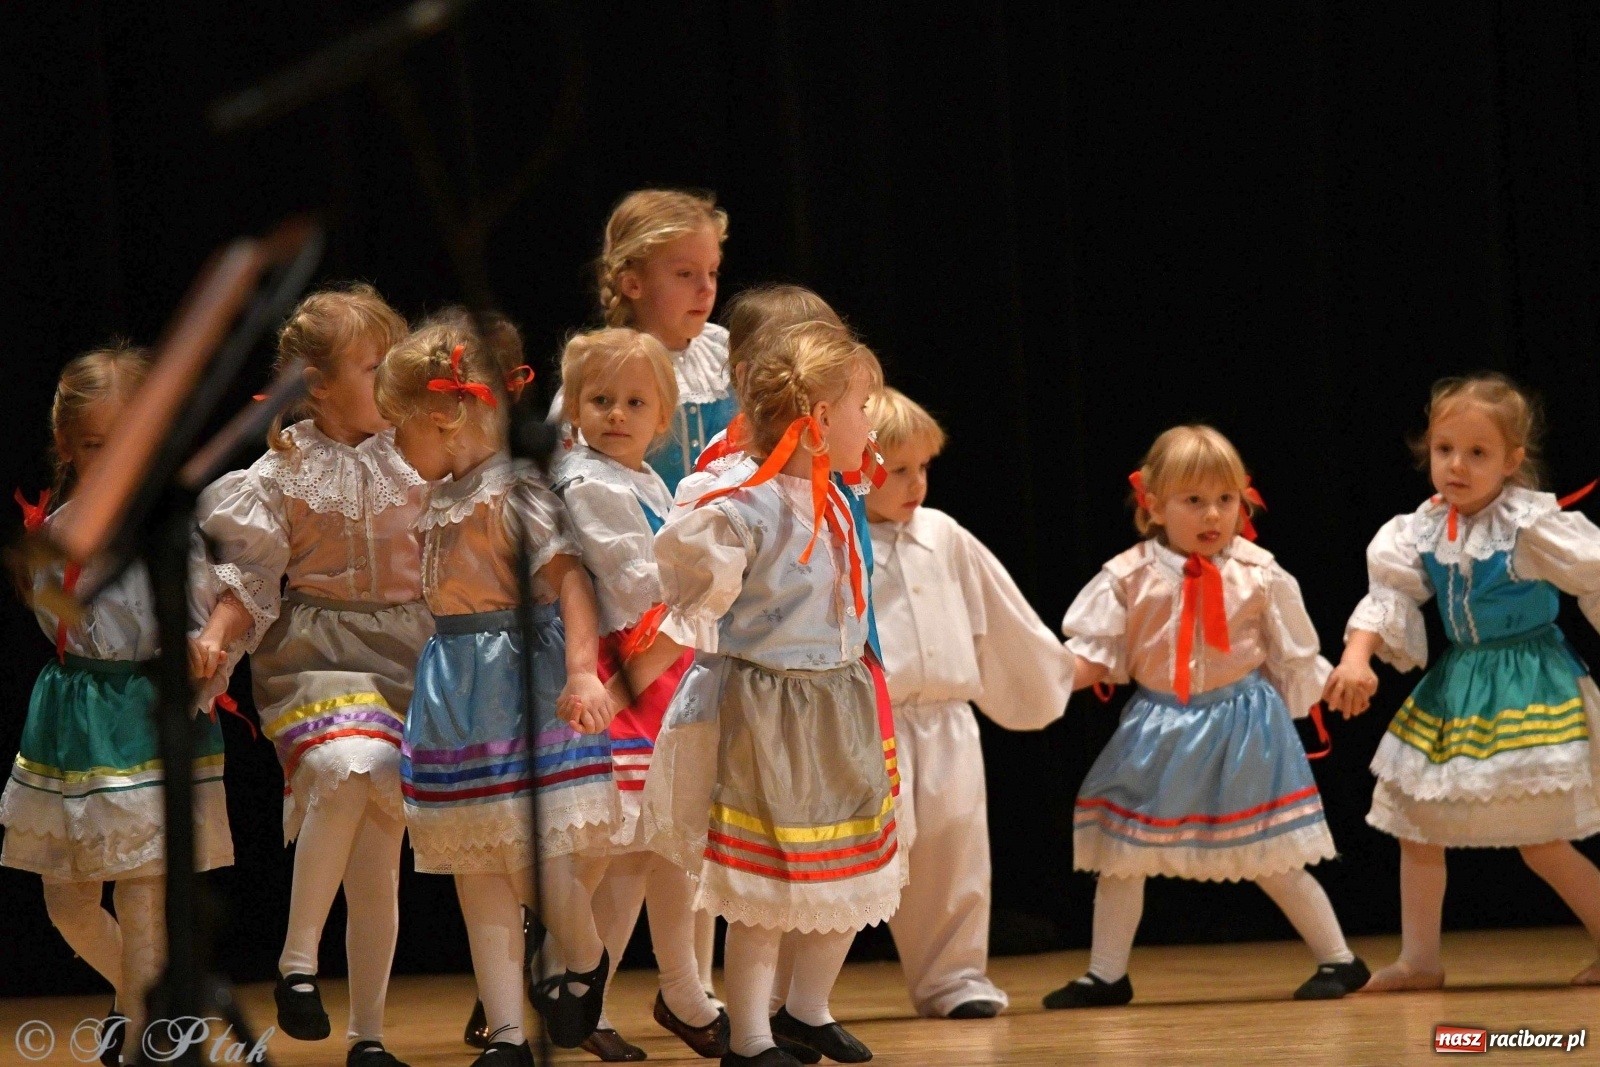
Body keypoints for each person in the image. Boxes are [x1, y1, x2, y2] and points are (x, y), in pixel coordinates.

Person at [624, 320, 901, 1067]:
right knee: (766, 885)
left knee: (847, 866)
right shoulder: (742, 505)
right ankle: (749, 1035)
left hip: (835, 703)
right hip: (765, 709)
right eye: (861, 406)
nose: (870, 420)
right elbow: (693, 600)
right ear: (816, 425)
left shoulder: (837, 499)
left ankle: (805, 1007)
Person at [1046, 425, 1367, 1009]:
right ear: (1154, 506)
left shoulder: (1259, 573)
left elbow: (1293, 654)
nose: (1212, 514)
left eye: (1225, 499)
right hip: (1158, 724)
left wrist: (1330, 686)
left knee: (1270, 854)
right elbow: (1094, 654)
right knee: (1122, 849)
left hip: (1243, 725)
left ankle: (1339, 959)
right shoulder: (1128, 576)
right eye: (1193, 500)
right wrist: (1038, 678)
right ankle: (1106, 973)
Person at [378, 320, 618, 1065]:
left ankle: (582, 952)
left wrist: (583, 670)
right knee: (476, 863)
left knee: (529, 856)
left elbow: (571, 580)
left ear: (443, 420)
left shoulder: (514, 492)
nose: (393, 446)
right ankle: (509, 1032)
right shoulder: (446, 495)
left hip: (519, 683)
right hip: (457, 685)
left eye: (398, 429)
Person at [191, 285, 419, 1066]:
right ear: (317, 386)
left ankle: (370, 1034)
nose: (391, 379)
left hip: (407, 658)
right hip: (318, 655)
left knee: (379, 849)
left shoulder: (419, 454)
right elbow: (250, 578)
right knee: (343, 764)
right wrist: (215, 640)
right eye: (372, 366)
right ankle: (295, 962)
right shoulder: (284, 472)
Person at [1325, 373, 1600, 991]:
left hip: (1529, 680)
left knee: (1544, 841)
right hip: (1461, 685)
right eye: (1446, 450)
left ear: (1511, 461)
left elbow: (1595, 576)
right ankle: (1421, 960)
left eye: (1477, 453)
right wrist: (1357, 658)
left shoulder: (1529, 526)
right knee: (1418, 828)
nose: (1457, 465)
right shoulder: (1418, 529)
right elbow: (1389, 595)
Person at [1, 343, 234, 1065]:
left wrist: (202, 649)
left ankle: (146, 1038)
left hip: (144, 711)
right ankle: (149, 1001)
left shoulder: (170, 529)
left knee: (143, 903)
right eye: (95, 444)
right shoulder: (51, 532)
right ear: (66, 445)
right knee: (67, 902)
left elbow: (213, 609)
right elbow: (52, 610)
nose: (111, 459)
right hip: (72, 719)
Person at [863, 387, 1075, 1019]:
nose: (915, 482)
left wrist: (1058, 671)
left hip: (949, 721)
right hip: (874, 723)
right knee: (855, 854)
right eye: (898, 469)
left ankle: (954, 979)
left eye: (922, 467)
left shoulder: (944, 535)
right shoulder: (837, 534)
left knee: (953, 847)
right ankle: (792, 994)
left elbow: (1003, 616)